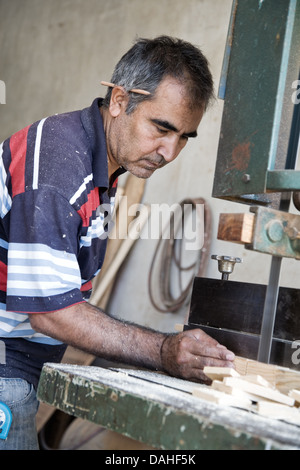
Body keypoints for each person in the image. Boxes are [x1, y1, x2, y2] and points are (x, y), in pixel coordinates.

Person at [0, 35, 235, 450]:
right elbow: (51, 313)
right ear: (120, 100)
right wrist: (164, 350)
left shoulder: (101, 167)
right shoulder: (58, 161)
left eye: (184, 137)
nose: (169, 151)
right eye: (161, 128)